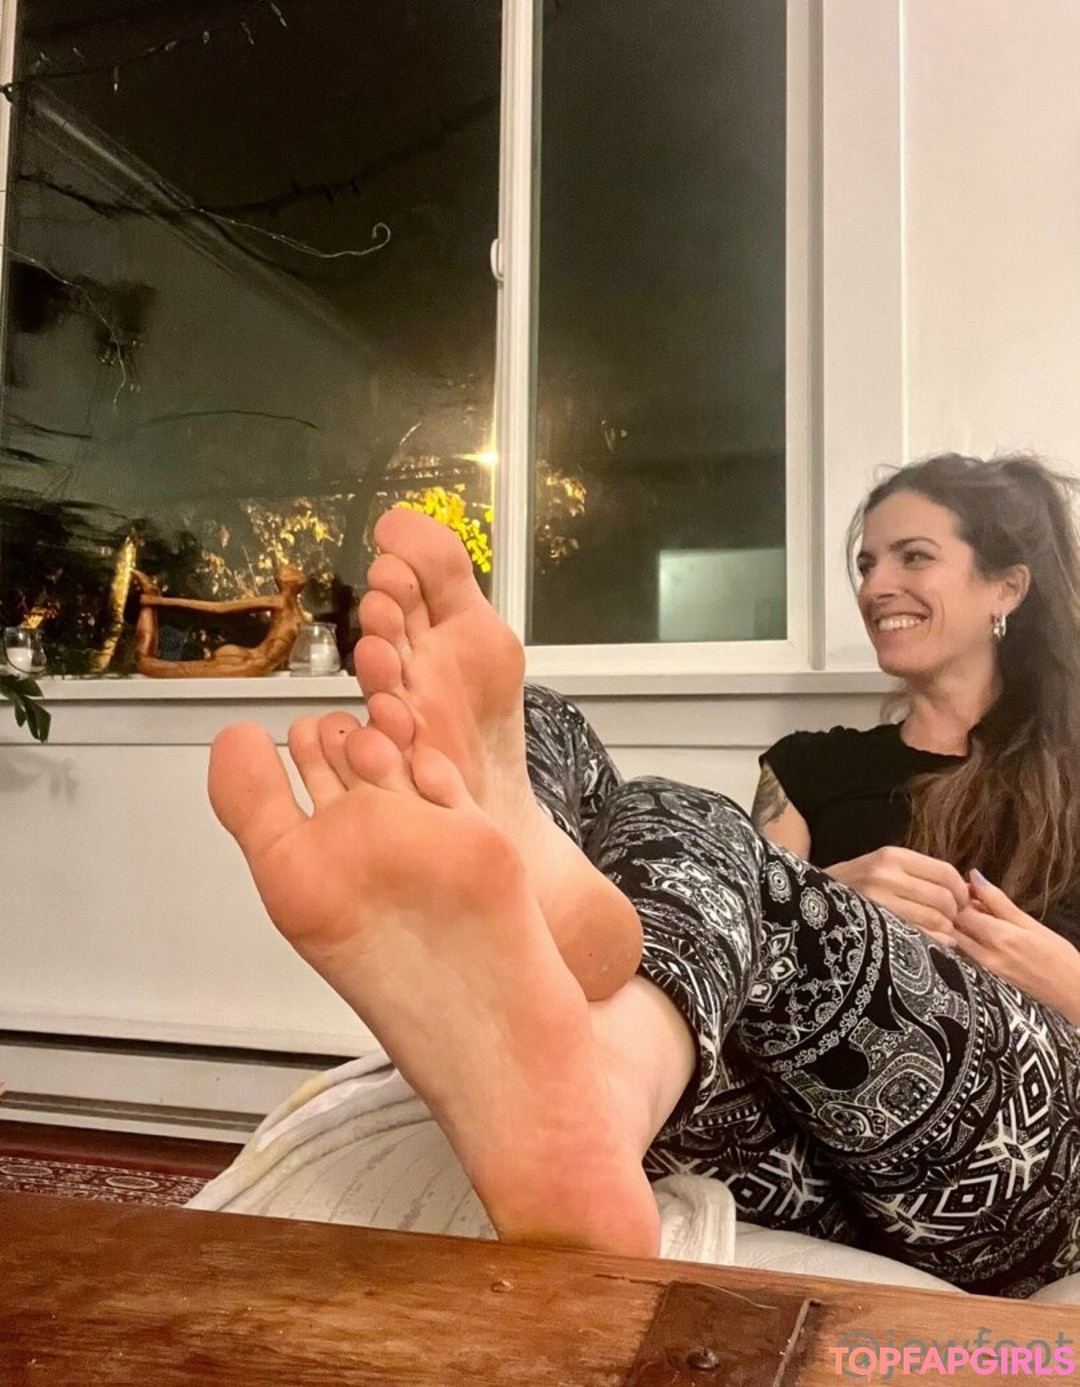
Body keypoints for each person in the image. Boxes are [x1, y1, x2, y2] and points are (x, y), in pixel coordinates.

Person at [207, 453, 1080, 1300]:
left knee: (725, 848)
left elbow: (762, 892)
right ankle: (540, 893)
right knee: (571, 741)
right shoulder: (811, 765)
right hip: (803, 1154)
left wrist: (1052, 968)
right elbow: (734, 920)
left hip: (1015, 1159)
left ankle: (598, 1066)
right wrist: (836, 893)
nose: (877, 584)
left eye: (913, 557)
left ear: (1006, 587)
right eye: (866, 563)